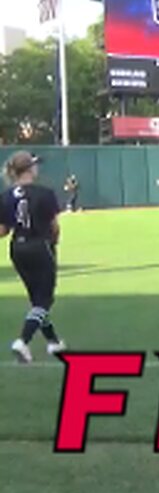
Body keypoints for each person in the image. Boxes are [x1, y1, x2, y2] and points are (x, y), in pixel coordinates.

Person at [1, 152, 68, 364]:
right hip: (40, 246)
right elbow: (54, 227)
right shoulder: (45, 193)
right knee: (44, 300)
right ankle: (23, 341)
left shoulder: (6, 195)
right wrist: (54, 243)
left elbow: (3, 230)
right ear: (29, 169)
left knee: (37, 299)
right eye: (35, 165)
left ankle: (53, 341)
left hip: (17, 249)